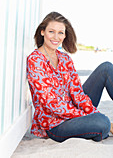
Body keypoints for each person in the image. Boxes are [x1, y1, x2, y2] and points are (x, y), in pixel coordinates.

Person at [27, 11, 113, 142]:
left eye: (60, 32)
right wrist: (88, 115)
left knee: (106, 68)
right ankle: (101, 127)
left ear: (65, 35)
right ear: (42, 32)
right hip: (55, 124)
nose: (56, 37)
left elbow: (77, 93)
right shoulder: (35, 60)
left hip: (74, 111)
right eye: (51, 31)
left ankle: (95, 127)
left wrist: (88, 112)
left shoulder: (65, 58)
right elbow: (51, 104)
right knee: (103, 122)